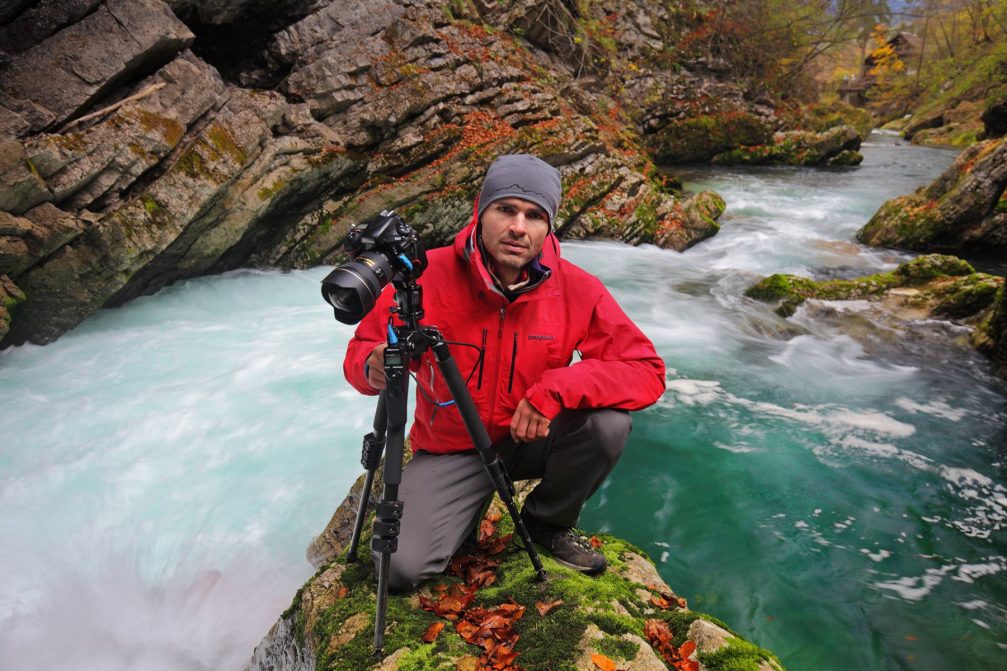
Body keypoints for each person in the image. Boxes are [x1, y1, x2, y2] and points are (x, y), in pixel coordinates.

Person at [343, 154, 665, 591]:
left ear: (549, 226)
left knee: (608, 425)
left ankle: (545, 523)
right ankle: (463, 505)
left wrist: (556, 389)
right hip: (452, 449)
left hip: (527, 436)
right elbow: (359, 355)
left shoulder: (577, 288)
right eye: (506, 209)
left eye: (535, 216)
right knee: (399, 571)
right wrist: (373, 366)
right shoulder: (424, 277)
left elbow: (645, 370)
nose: (519, 227)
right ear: (481, 211)